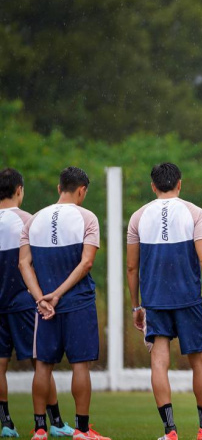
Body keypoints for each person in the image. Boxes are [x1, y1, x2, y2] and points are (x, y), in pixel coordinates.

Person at [126, 163, 202, 440]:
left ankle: (170, 431)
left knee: (159, 363)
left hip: (154, 300)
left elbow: (131, 268)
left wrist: (136, 306)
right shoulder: (194, 212)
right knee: (200, 362)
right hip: (187, 299)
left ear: (153, 186)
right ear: (180, 184)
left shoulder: (138, 216)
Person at [18, 167, 109, 440]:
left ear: (59, 188)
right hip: (77, 302)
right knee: (80, 365)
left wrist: (41, 298)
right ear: (82, 190)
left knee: (43, 364)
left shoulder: (33, 220)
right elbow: (87, 262)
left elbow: (24, 263)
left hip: (44, 306)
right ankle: (82, 429)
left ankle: (39, 429)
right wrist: (58, 294)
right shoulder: (87, 218)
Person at [0, 168, 75, 438]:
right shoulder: (30, 221)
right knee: (40, 363)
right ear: (19, 189)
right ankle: (52, 421)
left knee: (0, 365)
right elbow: (33, 263)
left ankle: (6, 423)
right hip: (22, 302)